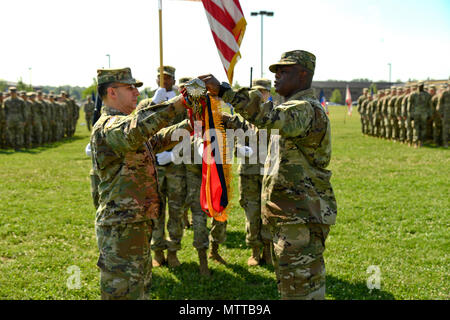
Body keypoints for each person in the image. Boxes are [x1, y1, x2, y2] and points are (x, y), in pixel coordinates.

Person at [199, 49, 337, 300]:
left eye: (284, 72)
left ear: (303, 75)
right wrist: (231, 121)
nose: (276, 77)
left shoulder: (305, 109)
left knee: (298, 288)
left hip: (300, 216)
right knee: (299, 285)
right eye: (276, 71)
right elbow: (260, 130)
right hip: (291, 215)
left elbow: (267, 116)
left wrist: (225, 92)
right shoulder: (292, 110)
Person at [90, 67, 191, 300]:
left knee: (139, 288)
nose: (137, 92)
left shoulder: (126, 124)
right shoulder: (110, 125)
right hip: (121, 227)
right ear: (112, 92)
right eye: (130, 88)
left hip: (136, 222)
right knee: (123, 293)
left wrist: (189, 125)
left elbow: (157, 138)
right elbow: (135, 131)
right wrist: (179, 103)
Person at [138, 66, 187, 268]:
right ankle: (158, 250)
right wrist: (156, 104)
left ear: (174, 80)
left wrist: (175, 153)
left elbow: (191, 130)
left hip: (176, 165)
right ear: (157, 79)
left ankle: (173, 250)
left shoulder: (182, 104)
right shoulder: (146, 104)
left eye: (169, 79)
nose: (165, 82)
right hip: (154, 164)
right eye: (162, 78)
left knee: (176, 209)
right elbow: (138, 127)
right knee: (155, 209)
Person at [239, 78, 272, 266]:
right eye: (257, 91)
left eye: (264, 91)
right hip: (249, 173)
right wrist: (239, 148)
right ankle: (255, 250)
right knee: (252, 212)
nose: (260, 95)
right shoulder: (244, 116)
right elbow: (235, 139)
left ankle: (268, 250)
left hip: (269, 173)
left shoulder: (275, 115)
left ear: (269, 93)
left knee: (268, 212)